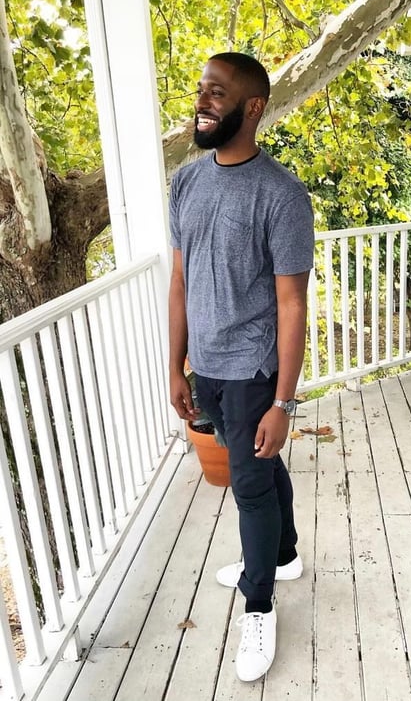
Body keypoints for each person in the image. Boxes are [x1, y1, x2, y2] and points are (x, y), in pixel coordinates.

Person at [168, 52, 314, 682]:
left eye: (218, 92)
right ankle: (281, 556)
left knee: (249, 484)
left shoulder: (281, 196)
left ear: (252, 108)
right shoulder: (186, 182)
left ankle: (260, 602)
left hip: (254, 369)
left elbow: (291, 304)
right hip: (207, 369)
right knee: (258, 464)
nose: (203, 100)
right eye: (201, 88)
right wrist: (175, 364)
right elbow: (179, 281)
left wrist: (283, 403)